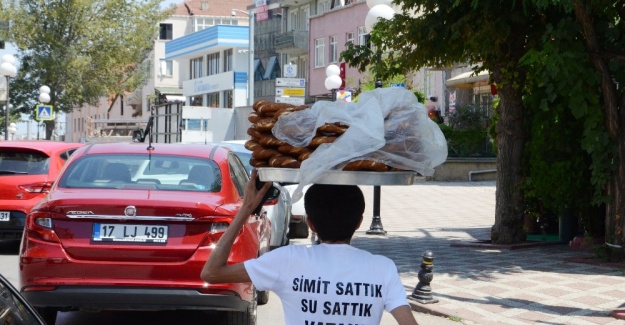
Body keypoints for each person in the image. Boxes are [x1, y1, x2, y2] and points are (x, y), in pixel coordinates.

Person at [201, 169, 419, 325]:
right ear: (359, 222)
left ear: (311, 224)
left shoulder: (287, 260)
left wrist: (245, 209)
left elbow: (211, 272)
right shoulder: (383, 268)